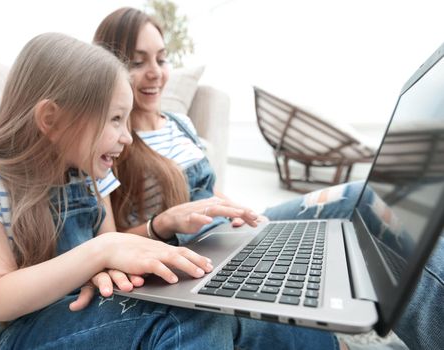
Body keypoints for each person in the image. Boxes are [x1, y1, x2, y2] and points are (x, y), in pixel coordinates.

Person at [0, 32, 344, 349]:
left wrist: (161, 226)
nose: (127, 138)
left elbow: (111, 242)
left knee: (254, 309)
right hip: (17, 332)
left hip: (89, 304)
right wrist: (99, 253)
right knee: (189, 322)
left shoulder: (86, 169)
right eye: (115, 120)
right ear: (51, 118)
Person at [86, 7, 442, 350]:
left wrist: (249, 219)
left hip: (235, 231)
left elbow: (211, 193)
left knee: (360, 200)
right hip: (194, 249)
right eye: (137, 62)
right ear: (109, 70)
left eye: (161, 59)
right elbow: (109, 242)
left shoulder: (181, 124)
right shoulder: (111, 141)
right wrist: (162, 223)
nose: (155, 73)